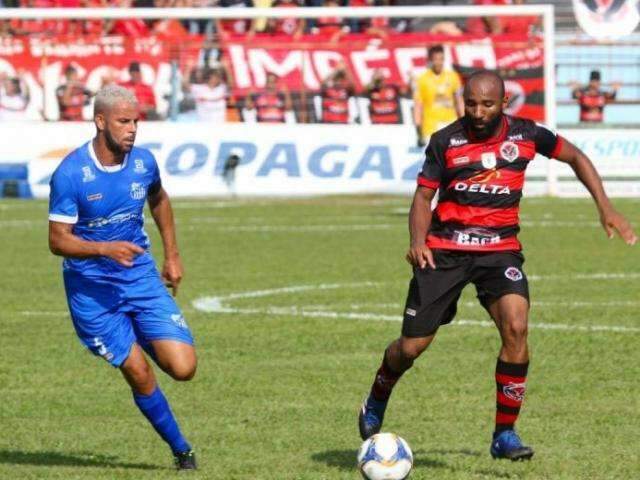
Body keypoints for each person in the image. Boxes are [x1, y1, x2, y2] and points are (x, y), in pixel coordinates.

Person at [358, 70, 637, 461]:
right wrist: (418, 241)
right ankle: (378, 393)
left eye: (487, 104)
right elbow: (423, 198)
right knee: (412, 347)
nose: (477, 111)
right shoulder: (445, 141)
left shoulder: (527, 135)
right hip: (445, 250)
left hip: (499, 251)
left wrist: (605, 207)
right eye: (470, 103)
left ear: (504, 103)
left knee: (517, 326)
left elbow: (575, 156)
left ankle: (504, 433)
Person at [48, 85, 198, 470]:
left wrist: (173, 255)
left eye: (136, 121)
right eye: (124, 121)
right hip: (92, 289)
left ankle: (142, 333)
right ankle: (182, 451)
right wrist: (104, 248)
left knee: (183, 368)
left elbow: (159, 198)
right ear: (100, 121)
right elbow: (57, 240)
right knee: (137, 369)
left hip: (139, 276)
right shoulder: (70, 174)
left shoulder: (144, 163)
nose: (132, 129)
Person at [413, 45, 463, 147]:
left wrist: (464, 122)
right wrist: (418, 132)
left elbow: (459, 102)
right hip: (431, 127)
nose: (439, 62)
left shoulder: (453, 76)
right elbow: (418, 106)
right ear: (430, 60)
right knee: (434, 161)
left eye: (441, 59)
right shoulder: (422, 79)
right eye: (435, 59)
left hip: (450, 124)